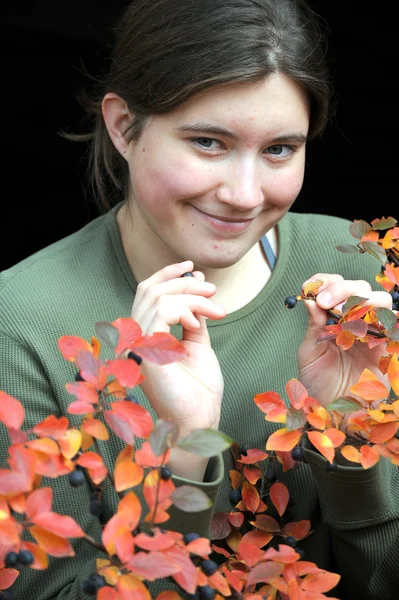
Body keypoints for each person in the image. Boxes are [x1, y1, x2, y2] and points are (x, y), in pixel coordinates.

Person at [1, 1, 398, 598]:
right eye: (209, 142)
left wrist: (345, 430)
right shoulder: (22, 322)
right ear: (123, 126)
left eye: (279, 149)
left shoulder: (362, 273)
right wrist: (186, 449)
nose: (243, 195)